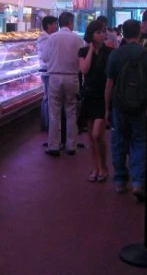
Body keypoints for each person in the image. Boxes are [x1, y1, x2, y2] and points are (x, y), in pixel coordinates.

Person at [105, 19, 147, 201]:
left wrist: (107, 107)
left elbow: (109, 84)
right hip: (140, 106)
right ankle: (138, 182)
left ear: (124, 33)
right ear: (139, 33)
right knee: (139, 141)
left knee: (119, 141)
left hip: (119, 105)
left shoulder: (115, 54)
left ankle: (120, 180)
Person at [41, 12, 84, 157]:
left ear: (59, 23)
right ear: (71, 23)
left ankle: (54, 145)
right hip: (72, 77)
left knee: (54, 113)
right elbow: (81, 59)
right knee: (71, 112)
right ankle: (71, 145)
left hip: (54, 77)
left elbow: (45, 58)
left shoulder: (52, 38)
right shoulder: (78, 39)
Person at [78, 20, 112, 182]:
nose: (102, 35)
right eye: (98, 32)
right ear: (91, 35)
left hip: (103, 95)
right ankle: (96, 167)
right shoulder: (83, 51)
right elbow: (84, 69)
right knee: (91, 137)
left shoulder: (110, 52)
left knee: (98, 134)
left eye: (103, 32)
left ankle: (104, 166)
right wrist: (91, 51)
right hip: (89, 94)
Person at [37, 15, 59, 132]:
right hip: (46, 71)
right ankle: (46, 124)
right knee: (47, 98)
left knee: (47, 98)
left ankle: (47, 123)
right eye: (55, 24)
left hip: (48, 70)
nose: (57, 26)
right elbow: (47, 57)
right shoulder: (45, 38)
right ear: (49, 26)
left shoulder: (48, 37)